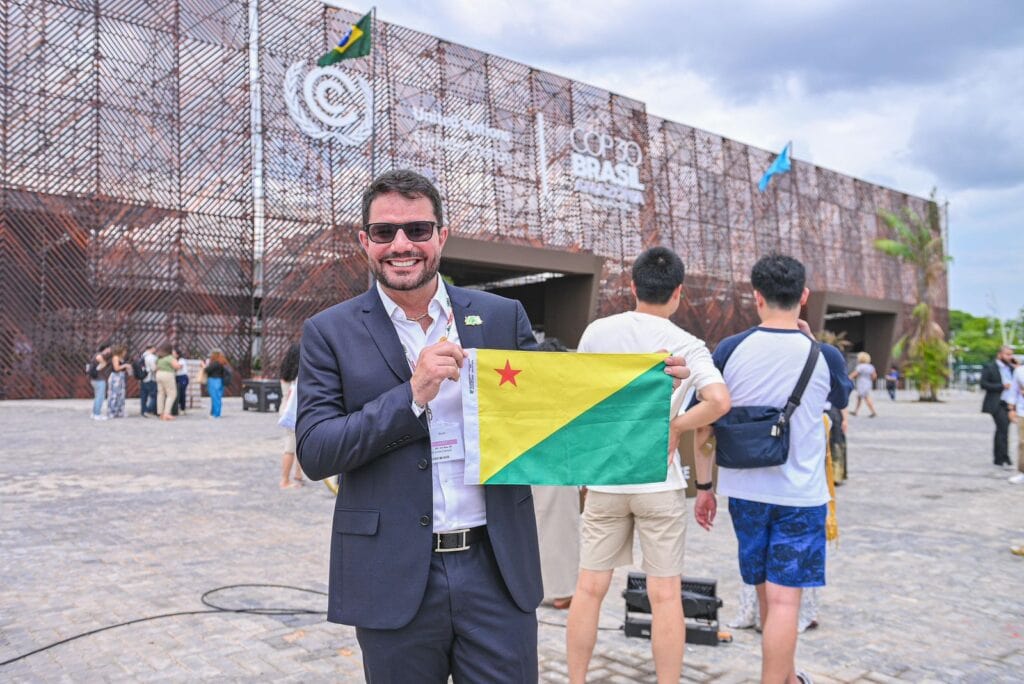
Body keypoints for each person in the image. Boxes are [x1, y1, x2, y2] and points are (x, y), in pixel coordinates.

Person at [295, 169, 692, 682]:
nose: (401, 245)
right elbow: (316, 450)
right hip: (390, 573)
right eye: (383, 232)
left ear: (441, 235)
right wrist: (410, 397)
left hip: (496, 569)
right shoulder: (329, 332)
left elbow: (556, 402)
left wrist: (643, 392)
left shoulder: (500, 316)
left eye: (417, 230)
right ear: (363, 241)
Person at [566, 247, 730, 684]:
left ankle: (576, 680)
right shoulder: (688, 344)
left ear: (633, 287)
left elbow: (579, 401)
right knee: (665, 596)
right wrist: (676, 425)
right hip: (660, 481)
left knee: (589, 589)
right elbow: (719, 402)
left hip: (605, 478)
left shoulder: (598, 332)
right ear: (679, 292)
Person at [696, 254, 852, 684]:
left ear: (757, 296)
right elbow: (840, 402)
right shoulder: (824, 356)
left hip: (745, 494)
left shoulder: (729, 349)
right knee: (786, 604)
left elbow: (705, 425)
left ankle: (785, 677)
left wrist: (705, 487)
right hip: (800, 497)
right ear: (803, 296)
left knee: (766, 594)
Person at [531, 337, 580, 610]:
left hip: (539, 465)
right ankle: (559, 590)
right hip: (559, 466)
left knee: (546, 529)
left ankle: (552, 588)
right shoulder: (566, 391)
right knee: (558, 531)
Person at [980, 346, 1015, 467]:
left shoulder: (1011, 369)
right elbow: (983, 384)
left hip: (1009, 404)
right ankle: (1004, 457)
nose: (1010, 357)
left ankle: (999, 457)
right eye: (1007, 354)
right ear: (999, 354)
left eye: (1011, 355)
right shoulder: (990, 367)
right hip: (996, 403)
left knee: (1001, 430)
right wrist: (1002, 386)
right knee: (1003, 428)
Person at [278, 343, 304, 488]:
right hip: (293, 412)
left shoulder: (285, 372)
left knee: (297, 443)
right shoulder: (299, 375)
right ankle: (285, 479)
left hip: (285, 408)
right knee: (291, 446)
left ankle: (298, 474)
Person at [154, 343, 180, 421]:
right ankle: (167, 413)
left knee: (161, 394)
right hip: (167, 374)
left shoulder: (159, 357)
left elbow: (156, 367)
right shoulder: (169, 357)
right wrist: (175, 360)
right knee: (172, 394)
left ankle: (161, 413)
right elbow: (177, 366)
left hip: (158, 374)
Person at [202, 350, 231, 418]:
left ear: (214, 355)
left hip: (213, 381)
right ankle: (216, 413)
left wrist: (204, 366)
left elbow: (207, 370)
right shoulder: (222, 362)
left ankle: (215, 414)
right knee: (218, 398)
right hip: (220, 381)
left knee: (215, 398)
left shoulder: (215, 363)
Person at [87, 344, 111, 421]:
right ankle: (97, 414)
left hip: (96, 379)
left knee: (97, 397)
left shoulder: (97, 355)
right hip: (99, 379)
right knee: (100, 397)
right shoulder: (99, 355)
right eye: (109, 349)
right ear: (105, 349)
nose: (110, 351)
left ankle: (94, 413)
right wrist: (101, 366)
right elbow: (102, 362)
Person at [849, 351, 877, 417]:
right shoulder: (871, 366)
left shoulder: (860, 366)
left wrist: (849, 378)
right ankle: (856, 411)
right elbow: (874, 376)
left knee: (866, 397)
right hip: (868, 383)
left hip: (862, 383)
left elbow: (855, 374)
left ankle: (873, 412)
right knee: (859, 397)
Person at [1010, 357, 1024, 484]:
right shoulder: (1019, 371)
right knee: (1022, 443)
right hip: (1022, 411)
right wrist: (1011, 408)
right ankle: (1022, 472)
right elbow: (1013, 390)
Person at [107, 345, 129, 419]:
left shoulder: (121, 358)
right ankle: (112, 411)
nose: (125, 353)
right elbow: (116, 368)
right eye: (124, 351)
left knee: (121, 394)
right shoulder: (115, 357)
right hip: (116, 377)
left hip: (121, 376)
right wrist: (125, 365)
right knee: (114, 394)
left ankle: (119, 411)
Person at [140, 345, 158, 417]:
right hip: (151, 378)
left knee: (144, 396)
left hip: (143, 377)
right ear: (152, 348)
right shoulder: (152, 357)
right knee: (154, 395)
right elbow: (154, 369)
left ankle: (143, 410)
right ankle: (149, 410)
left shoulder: (142, 356)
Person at [173, 348, 189, 415]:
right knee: (177, 393)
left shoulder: (181, 360)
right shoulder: (174, 360)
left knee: (182, 393)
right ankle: (177, 408)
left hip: (182, 377)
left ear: (177, 354)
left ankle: (183, 408)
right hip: (176, 377)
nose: (172, 354)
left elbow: (178, 367)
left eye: (173, 353)